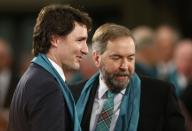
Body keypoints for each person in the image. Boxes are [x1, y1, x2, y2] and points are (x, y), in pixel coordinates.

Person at [70, 23, 185, 131]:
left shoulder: (161, 93)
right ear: (96, 58)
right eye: (116, 58)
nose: (125, 66)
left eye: (130, 58)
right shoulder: (73, 94)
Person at [8, 4, 92, 131]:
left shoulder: (36, 76)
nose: (86, 50)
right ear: (54, 40)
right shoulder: (46, 85)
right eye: (80, 40)